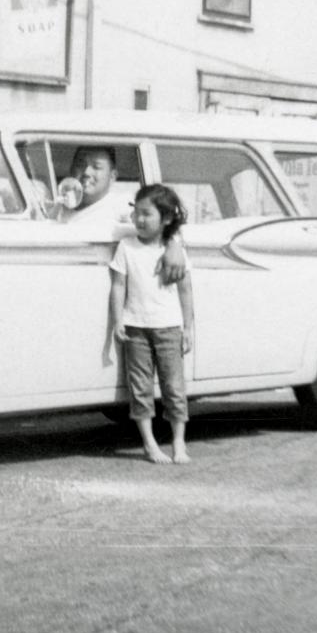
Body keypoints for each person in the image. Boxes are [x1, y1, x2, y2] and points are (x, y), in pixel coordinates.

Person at [109, 183, 195, 465]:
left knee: (174, 388)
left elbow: (185, 290)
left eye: (147, 214)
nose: (139, 220)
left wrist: (188, 327)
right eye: (137, 213)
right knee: (140, 389)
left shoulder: (174, 250)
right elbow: (118, 285)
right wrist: (118, 319)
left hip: (169, 327)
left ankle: (179, 443)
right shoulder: (126, 246)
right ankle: (149, 443)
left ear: (166, 219)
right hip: (136, 328)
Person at [62, 144, 186, 282]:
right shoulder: (62, 206)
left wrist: (175, 246)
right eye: (80, 164)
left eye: (96, 167)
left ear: (112, 176)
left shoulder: (121, 203)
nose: (86, 172)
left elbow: (163, 220)